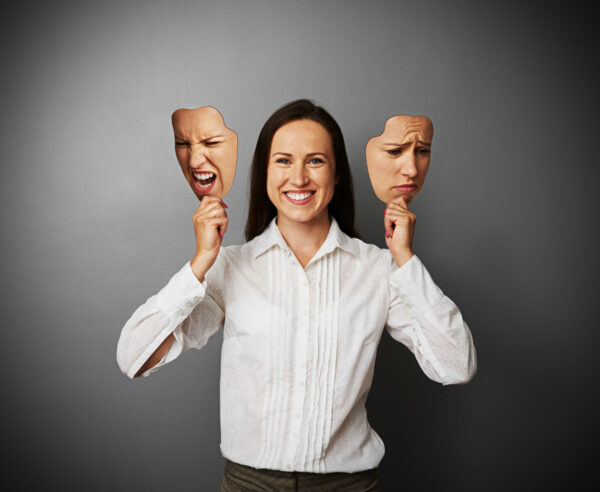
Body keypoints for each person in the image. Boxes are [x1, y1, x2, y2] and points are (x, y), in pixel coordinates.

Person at [116, 99, 477, 491]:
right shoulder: (231, 268)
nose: (299, 178)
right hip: (249, 483)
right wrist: (201, 262)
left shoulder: (379, 270)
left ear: (337, 173)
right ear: (265, 172)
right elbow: (133, 357)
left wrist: (405, 260)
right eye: (284, 161)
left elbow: (457, 366)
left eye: (316, 161)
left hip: (348, 484)